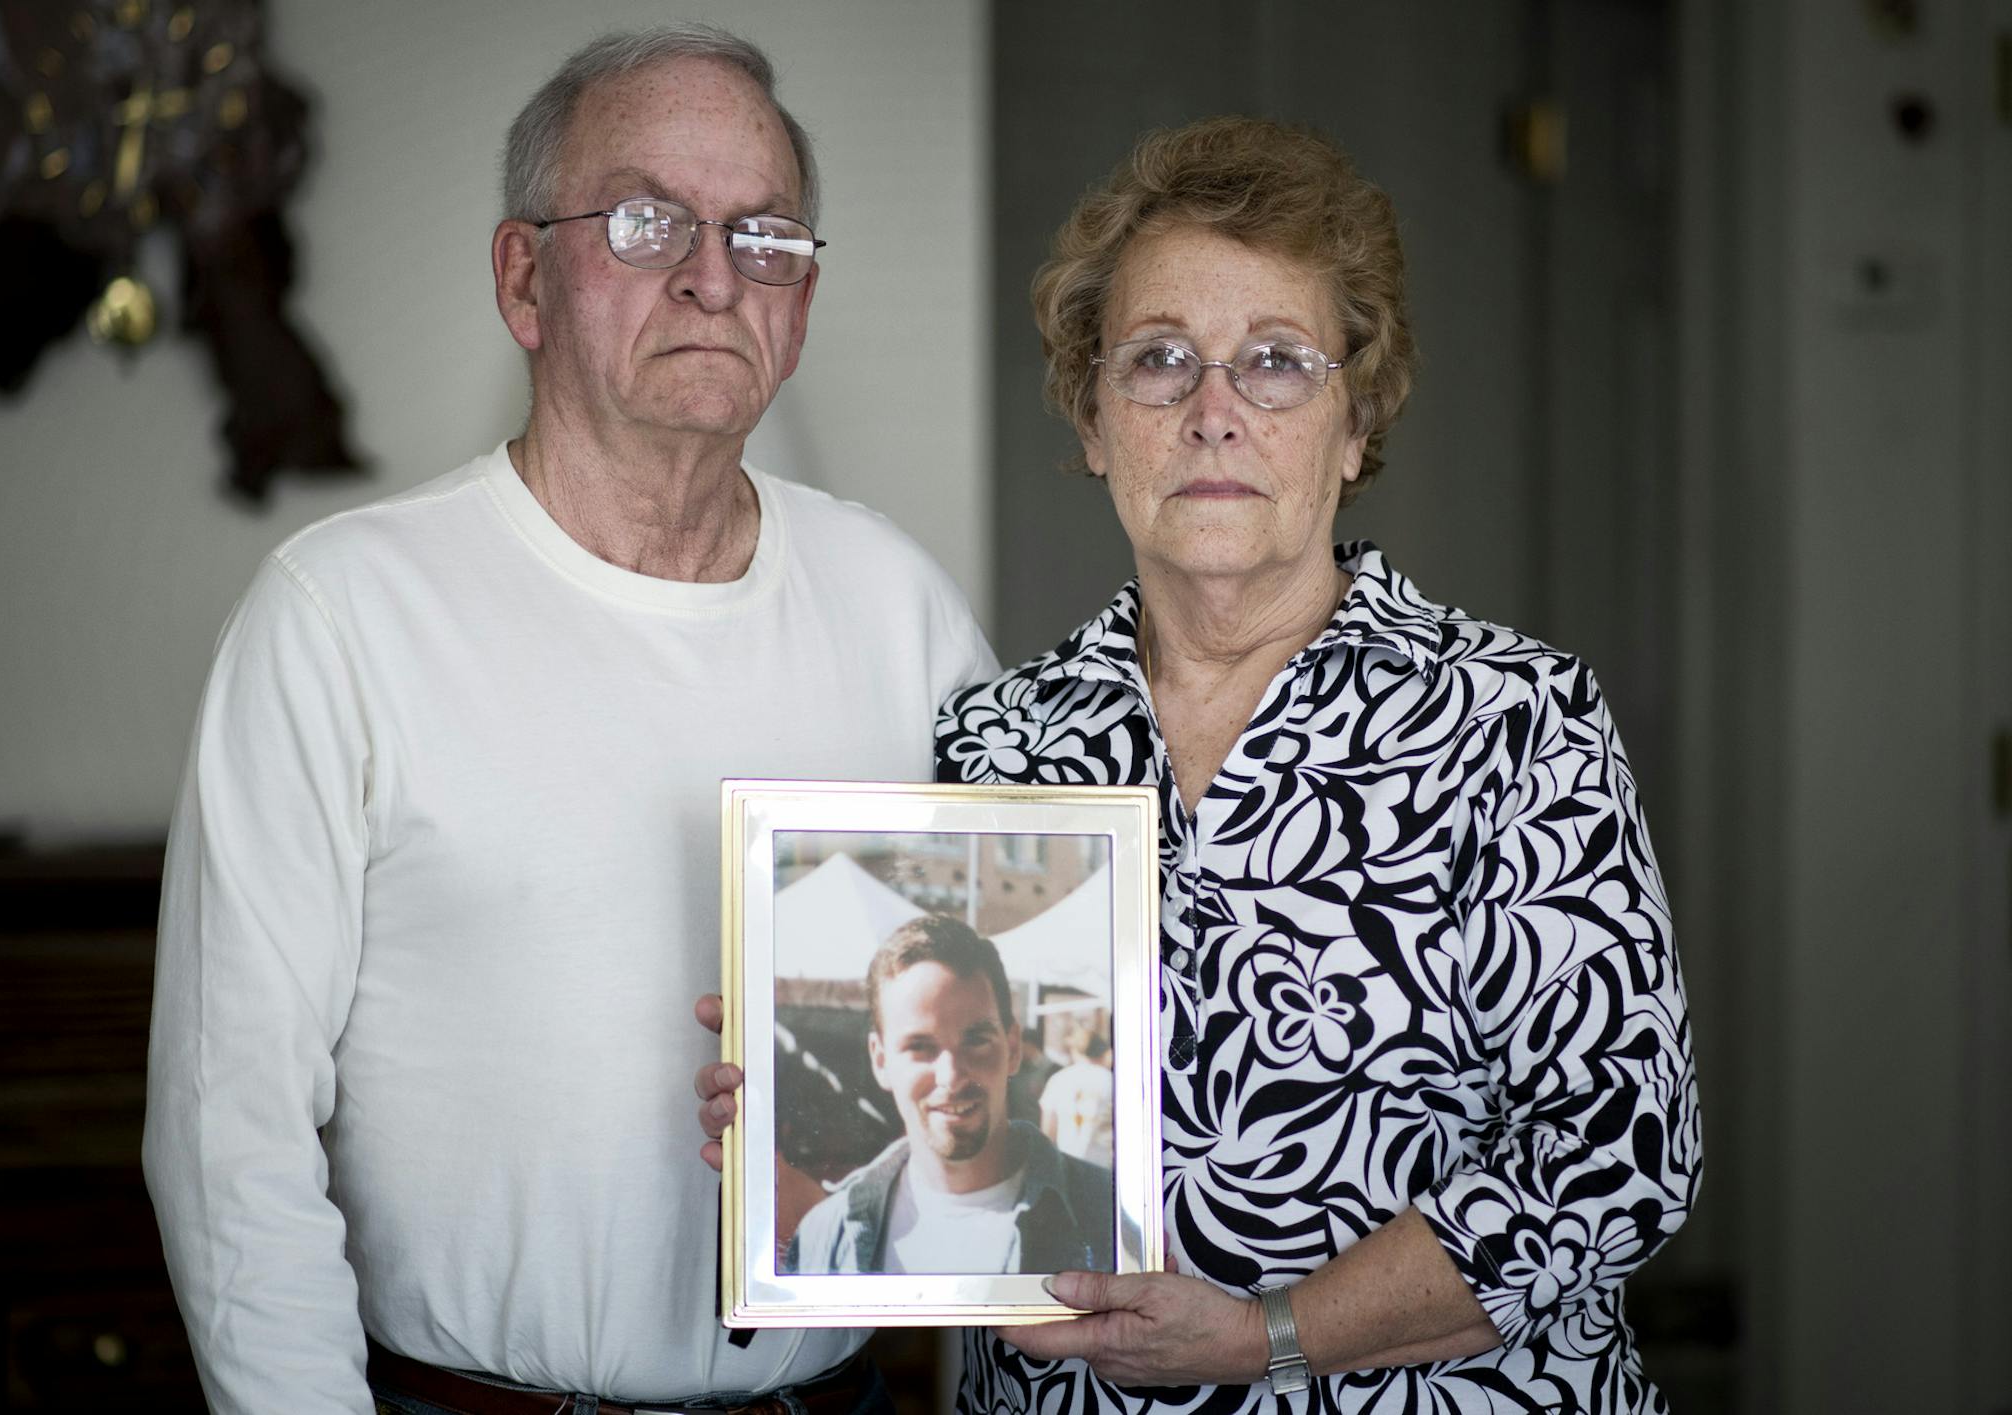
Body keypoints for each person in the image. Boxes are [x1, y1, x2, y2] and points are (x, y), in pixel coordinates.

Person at [700, 115, 1699, 1414]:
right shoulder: (997, 738)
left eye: (1277, 364)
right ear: (1095, 417)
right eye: (1160, 359)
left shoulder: (1517, 720)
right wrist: (797, 1111)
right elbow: (953, 1146)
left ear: (1357, 422)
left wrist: (1261, 1336)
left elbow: (1619, 1155)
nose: (1215, 411)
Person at [144, 23, 995, 1415]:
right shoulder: (344, 613)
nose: (714, 275)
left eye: (766, 234)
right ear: (523, 277)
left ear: (801, 299)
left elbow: (1011, 1019)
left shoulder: (897, 604)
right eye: (650, 219)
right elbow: (224, 1132)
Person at [786, 916, 1113, 1276]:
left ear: (1014, 1047)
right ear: (880, 1060)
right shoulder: (827, 1236)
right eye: (920, 1047)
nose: (952, 1076)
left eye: (976, 1041)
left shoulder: (1115, 1219)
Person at [1037, 1032, 1114, 1168]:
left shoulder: (1058, 1080)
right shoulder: (1112, 1081)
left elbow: (1048, 1133)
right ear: (1102, 1052)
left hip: (1069, 1166)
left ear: (1075, 1051)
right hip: (1105, 1167)